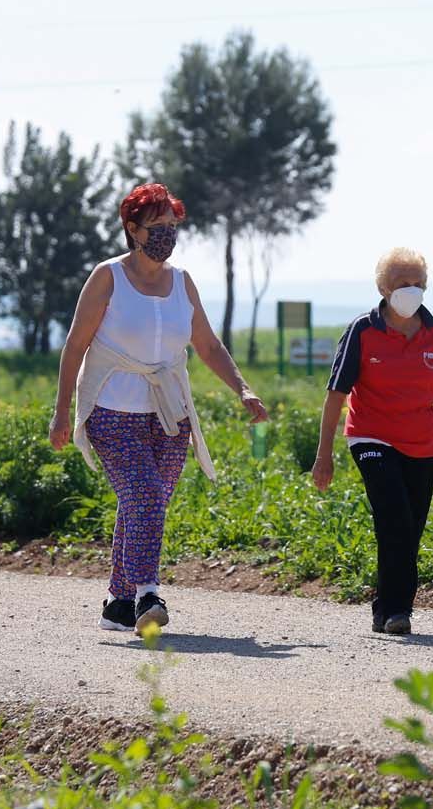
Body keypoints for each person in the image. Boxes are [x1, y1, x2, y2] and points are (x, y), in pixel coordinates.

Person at [49, 183, 268, 636]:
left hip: (169, 414)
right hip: (111, 409)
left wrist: (242, 389)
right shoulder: (107, 277)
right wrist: (62, 412)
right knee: (146, 496)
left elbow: (206, 343)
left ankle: (117, 601)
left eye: (172, 226)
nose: (168, 234)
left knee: (144, 503)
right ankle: (148, 592)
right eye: (158, 226)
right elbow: (74, 347)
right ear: (133, 229)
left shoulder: (182, 282)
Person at [310, 248, 433, 636]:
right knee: (393, 516)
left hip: (421, 442)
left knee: (412, 528)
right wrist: (323, 454)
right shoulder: (363, 330)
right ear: (382, 288)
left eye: (417, 284)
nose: (410, 291)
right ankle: (395, 611)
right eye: (401, 285)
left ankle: (391, 606)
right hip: (370, 436)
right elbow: (335, 395)